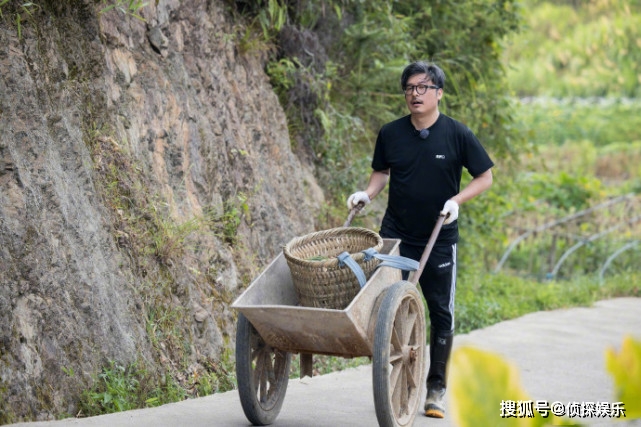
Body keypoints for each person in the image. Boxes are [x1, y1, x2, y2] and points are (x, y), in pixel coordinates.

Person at [347, 61, 494, 419]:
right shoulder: (391, 133)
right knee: (387, 307)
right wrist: (367, 193)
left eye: (424, 87)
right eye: (410, 88)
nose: (416, 93)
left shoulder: (457, 134)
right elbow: (381, 172)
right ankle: (395, 379)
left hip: (439, 238)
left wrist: (456, 202)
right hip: (395, 236)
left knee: (441, 311)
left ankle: (436, 388)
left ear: (439, 93)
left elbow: (485, 177)